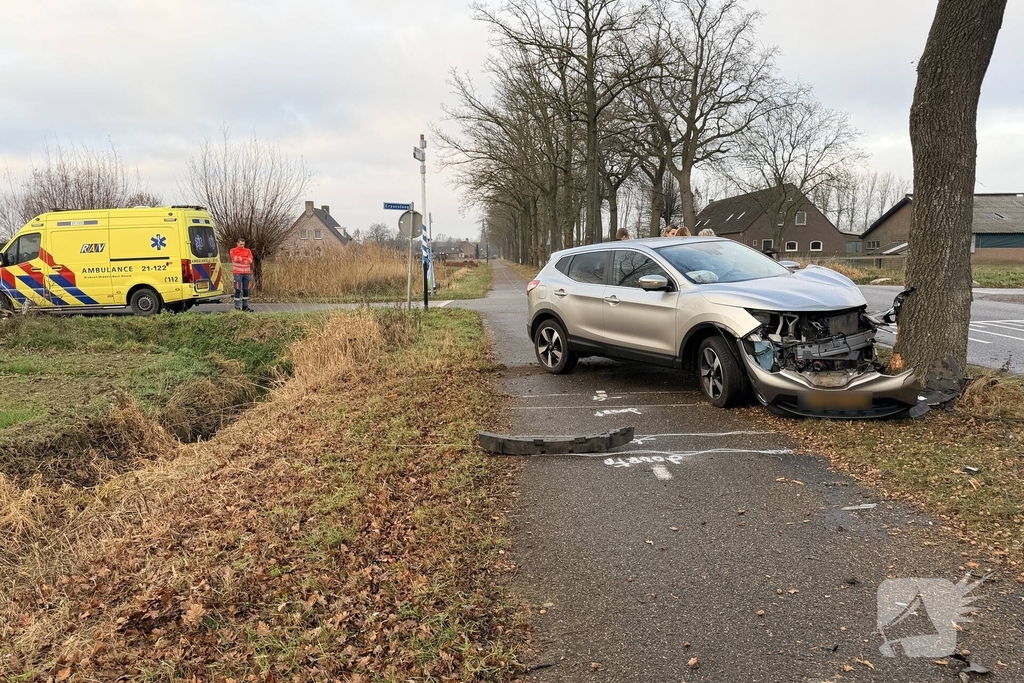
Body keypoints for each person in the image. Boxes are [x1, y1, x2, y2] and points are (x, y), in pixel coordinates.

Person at [229, 238, 254, 312]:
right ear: (237, 243)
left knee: (246, 290)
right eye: (240, 244)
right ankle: (237, 308)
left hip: (246, 273)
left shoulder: (248, 251)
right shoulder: (233, 250)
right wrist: (244, 259)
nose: (242, 246)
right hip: (237, 273)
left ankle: (245, 307)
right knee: (238, 289)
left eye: (243, 244)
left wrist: (241, 260)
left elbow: (250, 260)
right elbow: (235, 258)